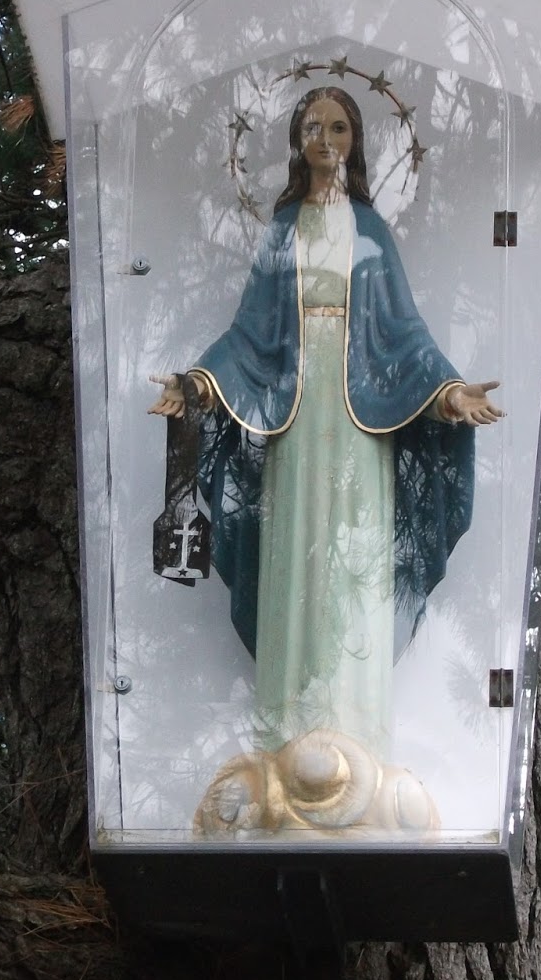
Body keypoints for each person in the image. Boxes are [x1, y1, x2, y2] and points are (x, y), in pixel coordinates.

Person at [150, 85, 501, 762]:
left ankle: (355, 722)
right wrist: (197, 384)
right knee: (295, 549)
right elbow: (250, 334)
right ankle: (288, 721)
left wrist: (448, 393)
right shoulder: (283, 229)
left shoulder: (371, 231)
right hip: (296, 419)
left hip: (360, 420)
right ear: (296, 139)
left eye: (339, 127)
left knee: (356, 557)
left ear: (355, 140)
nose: (326, 139)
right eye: (314, 126)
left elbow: (404, 335)